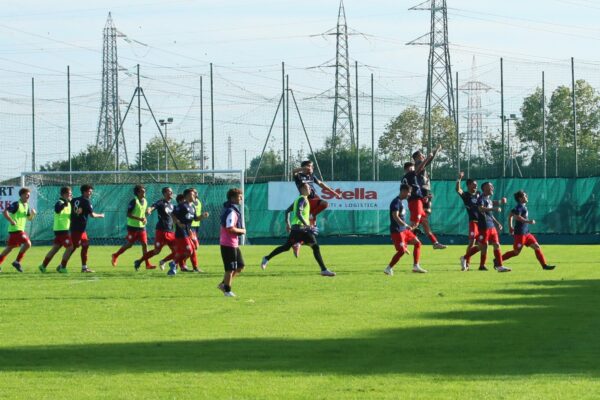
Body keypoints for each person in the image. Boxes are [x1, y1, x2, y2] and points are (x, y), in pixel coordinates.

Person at [260, 184, 336, 277]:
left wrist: (287, 223)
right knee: (293, 247)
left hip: (300, 229)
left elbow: (287, 211)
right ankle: (267, 258)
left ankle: (323, 269)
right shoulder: (302, 199)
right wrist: (307, 225)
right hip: (300, 229)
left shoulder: (300, 199)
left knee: (308, 247)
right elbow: (298, 213)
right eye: (308, 187)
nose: (310, 189)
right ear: (302, 189)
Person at [291, 160, 341, 257]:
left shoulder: (312, 176)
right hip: (306, 201)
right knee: (324, 205)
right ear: (305, 167)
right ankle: (298, 242)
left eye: (312, 167)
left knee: (311, 231)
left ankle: (297, 243)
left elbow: (322, 184)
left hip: (314, 199)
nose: (312, 168)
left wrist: (335, 193)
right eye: (310, 166)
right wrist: (303, 169)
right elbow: (293, 171)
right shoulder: (299, 176)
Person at [402, 145, 446, 250]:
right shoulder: (414, 170)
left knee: (425, 221)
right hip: (416, 198)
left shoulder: (409, 175)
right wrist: (433, 153)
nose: (423, 156)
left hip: (419, 197)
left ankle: (435, 242)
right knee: (416, 222)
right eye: (421, 155)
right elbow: (422, 166)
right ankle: (402, 241)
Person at [500, 190, 556, 270]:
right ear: (520, 198)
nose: (526, 197)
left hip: (526, 233)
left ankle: (544, 266)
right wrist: (528, 221)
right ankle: (498, 261)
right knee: (516, 252)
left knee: (537, 247)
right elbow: (517, 217)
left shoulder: (522, 206)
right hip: (520, 233)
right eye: (524, 196)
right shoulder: (519, 207)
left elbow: (510, 215)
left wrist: (510, 227)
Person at [462, 182, 510, 272]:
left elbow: (489, 214)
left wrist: (497, 223)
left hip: (491, 226)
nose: (492, 188)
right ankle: (464, 258)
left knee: (496, 244)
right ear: (484, 188)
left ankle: (499, 266)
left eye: (492, 186)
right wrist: (494, 208)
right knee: (481, 246)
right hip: (484, 226)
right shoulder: (481, 198)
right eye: (490, 186)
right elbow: (480, 208)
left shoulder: (489, 199)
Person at [384, 184, 426, 275]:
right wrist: (406, 225)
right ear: (403, 191)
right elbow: (395, 216)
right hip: (397, 231)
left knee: (417, 243)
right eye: (409, 192)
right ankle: (388, 268)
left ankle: (416, 266)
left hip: (404, 230)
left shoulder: (401, 202)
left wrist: (408, 226)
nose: (409, 194)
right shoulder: (395, 202)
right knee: (401, 251)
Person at [111, 185, 155, 270]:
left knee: (145, 244)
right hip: (132, 227)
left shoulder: (145, 201)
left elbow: (142, 213)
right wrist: (140, 218)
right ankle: (115, 255)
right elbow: (128, 214)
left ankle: (147, 264)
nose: (144, 192)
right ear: (138, 192)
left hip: (142, 227)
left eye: (144, 191)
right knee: (129, 245)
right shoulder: (133, 201)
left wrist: (145, 217)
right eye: (142, 191)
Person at [133, 187, 176, 271]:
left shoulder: (172, 205)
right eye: (169, 192)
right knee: (156, 251)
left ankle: (164, 261)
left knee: (177, 250)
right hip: (161, 231)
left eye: (171, 192)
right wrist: (149, 210)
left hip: (171, 231)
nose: (171, 193)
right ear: (164, 193)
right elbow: (152, 207)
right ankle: (139, 261)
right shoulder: (161, 202)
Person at [217, 188, 246, 297]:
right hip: (228, 244)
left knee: (240, 266)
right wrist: (242, 230)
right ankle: (227, 291)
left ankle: (223, 284)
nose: (241, 198)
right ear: (232, 198)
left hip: (233, 243)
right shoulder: (231, 211)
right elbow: (230, 228)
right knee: (230, 269)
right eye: (239, 197)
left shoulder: (231, 209)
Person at [69, 184, 105, 273]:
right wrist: (101, 215)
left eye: (91, 192)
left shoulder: (74, 200)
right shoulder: (86, 201)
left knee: (85, 245)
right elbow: (92, 215)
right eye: (89, 192)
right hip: (77, 228)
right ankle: (62, 265)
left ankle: (84, 268)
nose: (90, 194)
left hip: (80, 229)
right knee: (72, 247)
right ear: (84, 192)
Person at [39, 186, 75, 273]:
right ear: (65, 194)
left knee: (55, 248)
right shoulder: (60, 202)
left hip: (62, 229)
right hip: (62, 230)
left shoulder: (69, 204)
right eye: (70, 194)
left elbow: (68, 216)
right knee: (70, 247)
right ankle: (62, 267)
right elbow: (57, 210)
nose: (71, 195)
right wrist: (65, 203)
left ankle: (43, 266)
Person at [0, 187, 36, 272]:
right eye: (27, 195)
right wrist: (11, 221)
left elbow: (29, 218)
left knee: (9, 248)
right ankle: (17, 262)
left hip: (18, 230)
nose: (28, 197)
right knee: (28, 244)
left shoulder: (26, 205)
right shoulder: (16, 204)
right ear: (22, 195)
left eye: (29, 195)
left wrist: (33, 214)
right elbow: (4, 212)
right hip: (16, 230)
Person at [168, 190, 197, 276]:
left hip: (188, 231)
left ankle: (174, 263)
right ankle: (174, 263)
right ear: (187, 196)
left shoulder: (193, 207)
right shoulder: (182, 205)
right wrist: (178, 223)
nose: (194, 195)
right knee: (189, 250)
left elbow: (195, 218)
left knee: (189, 251)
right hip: (181, 232)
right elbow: (172, 214)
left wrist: (202, 216)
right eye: (192, 194)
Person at [456, 172, 481, 271]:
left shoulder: (479, 194)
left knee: (482, 245)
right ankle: (467, 263)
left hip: (482, 223)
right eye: (474, 185)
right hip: (473, 222)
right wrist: (459, 179)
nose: (475, 186)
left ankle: (464, 258)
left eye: (476, 185)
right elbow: (458, 190)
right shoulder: (466, 195)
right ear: (468, 185)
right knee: (472, 242)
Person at [189, 189, 209, 272]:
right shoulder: (189, 203)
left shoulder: (198, 202)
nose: (196, 193)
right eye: (194, 192)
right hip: (190, 226)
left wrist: (203, 216)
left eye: (196, 192)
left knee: (192, 248)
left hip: (196, 226)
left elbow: (197, 216)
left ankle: (180, 263)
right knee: (194, 246)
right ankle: (177, 262)